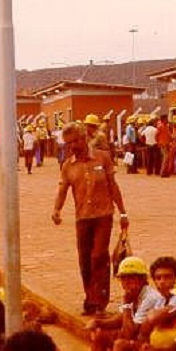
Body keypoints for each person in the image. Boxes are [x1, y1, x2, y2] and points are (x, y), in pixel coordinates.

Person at [52, 122, 129, 315]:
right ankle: (90, 298)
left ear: (84, 138)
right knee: (84, 259)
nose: (72, 146)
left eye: (75, 141)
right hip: (82, 218)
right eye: (69, 143)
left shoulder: (103, 158)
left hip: (103, 215)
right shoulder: (68, 166)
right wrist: (57, 210)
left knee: (98, 256)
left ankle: (100, 301)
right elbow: (62, 190)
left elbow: (113, 185)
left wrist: (123, 212)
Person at [85, 255, 164, 351]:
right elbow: (119, 319)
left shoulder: (149, 297)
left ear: (142, 279)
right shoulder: (133, 295)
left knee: (120, 345)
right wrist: (98, 323)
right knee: (99, 336)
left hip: (148, 344)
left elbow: (129, 332)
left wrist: (127, 305)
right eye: (124, 279)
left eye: (131, 278)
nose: (127, 283)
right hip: (137, 338)